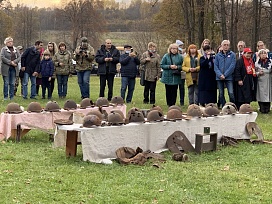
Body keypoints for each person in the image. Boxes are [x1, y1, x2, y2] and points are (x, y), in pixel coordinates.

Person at [214, 40, 236, 108]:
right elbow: (216, 67)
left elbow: (232, 66)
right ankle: (224, 106)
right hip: (219, 77)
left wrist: (225, 75)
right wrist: (220, 75)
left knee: (231, 93)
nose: (226, 46)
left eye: (227, 45)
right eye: (224, 45)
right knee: (221, 94)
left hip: (229, 77)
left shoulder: (232, 55)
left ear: (229, 46)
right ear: (221, 46)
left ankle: (233, 106)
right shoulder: (217, 55)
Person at [255, 49, 272, 113]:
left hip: (268, 80)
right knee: (261, 94)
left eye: (264, 53)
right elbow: (254, 72)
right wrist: (258, 73)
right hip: (260, 80)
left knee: (268, 94)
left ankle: (267, 107)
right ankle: (261, 107)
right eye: (262, 53)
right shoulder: (257, 63)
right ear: (259, 55)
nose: (263, 54)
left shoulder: (270, 62)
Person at [176, 39, 186, 105]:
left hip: (182, 72)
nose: (181, 47)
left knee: (182, 87)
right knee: (175, 88)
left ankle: (182, 101)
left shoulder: (184, 54)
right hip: (176, 72)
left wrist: (183, 54)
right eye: (180, 46)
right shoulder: (175, 53)